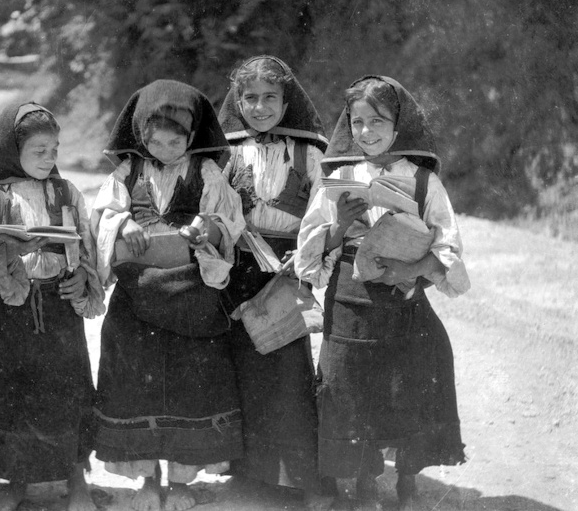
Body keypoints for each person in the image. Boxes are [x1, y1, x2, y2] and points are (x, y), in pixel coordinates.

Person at [295, 75, 470, 510]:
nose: (367, 132)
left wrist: (411, 267)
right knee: (349, 390)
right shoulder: (338, 176)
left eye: (378, 121)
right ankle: (365, 488)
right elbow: (310, 252)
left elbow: (448, 248)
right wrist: (338, 226)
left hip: (404, 298)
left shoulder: (424, 181)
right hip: (350, 300)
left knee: (404, 388)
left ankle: (407, 486)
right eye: (357, 122)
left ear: (400, 125)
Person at [91, 79, 245, 511]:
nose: (164, 148)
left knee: (188, 383)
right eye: (154, 141)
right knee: (136, 383)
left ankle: (179, 478)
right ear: (141, 138)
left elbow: (229, 220)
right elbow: (102, 212)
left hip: (189, 294)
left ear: (192, 136)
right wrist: (122, 224)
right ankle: (147, 479)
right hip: (137, 295)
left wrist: (207, 228)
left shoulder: (206, 172)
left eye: (175, 140)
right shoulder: (127, 172)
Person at [0, 101, 105, 511]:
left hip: (59, 306)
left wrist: (82, 277)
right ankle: (17, 482)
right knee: (16, 392)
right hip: (14, 307)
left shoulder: (66, 191)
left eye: (54, 149)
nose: (49, 158)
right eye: (39, 150)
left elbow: (88, 247)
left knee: (68, 389)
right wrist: (8, 260)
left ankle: (77, 483)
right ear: (12, 150)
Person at [217, 56, 332, 509]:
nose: (260, 107)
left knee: (288, 372)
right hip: (236, 269)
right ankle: (249, 472)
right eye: (250, 98)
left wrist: (303, 258)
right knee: (241, 365)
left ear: (288, 102)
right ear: (237, 101)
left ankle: (300, 478)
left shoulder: (310, 153)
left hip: (286, 270)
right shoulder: (226, 152)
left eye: (270, 98)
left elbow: (325, 215)